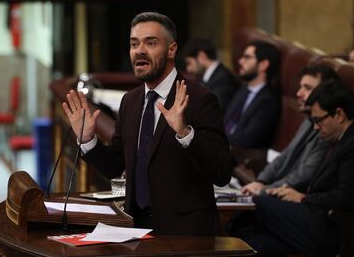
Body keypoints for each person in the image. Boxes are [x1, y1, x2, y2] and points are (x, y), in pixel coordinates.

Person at [62, 12, 232, 235]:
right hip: (136, 228)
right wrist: (87, 140)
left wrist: (184, 133)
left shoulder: (199, 99)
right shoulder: (130, 101)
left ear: (172, 50)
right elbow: (116, 164)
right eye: (134, 44)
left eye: (150, 43)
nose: (139, 50)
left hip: (186, 235)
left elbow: (221, 173)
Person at [230, 80, 354, 256]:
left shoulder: (352, 143)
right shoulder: (337, 140)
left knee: (257, 203)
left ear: (339, 115)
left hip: (327, 228)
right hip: (313, 218)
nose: (316, 127)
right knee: (253, 243)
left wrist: (303, 198)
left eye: (319, 120)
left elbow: (347, 197)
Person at [242, 65, 339, 195]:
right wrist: (261, 181)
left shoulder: (328, 130)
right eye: (301, 87)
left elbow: (305, 175)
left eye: (308, 88)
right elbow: (284, 156)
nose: (299, 93)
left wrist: (264, 190)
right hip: (277, 188)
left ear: (324, 93)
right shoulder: (307, 121)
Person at [224, 40, 281, 149]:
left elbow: (249, 139)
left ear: (263, 65)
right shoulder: (243, 89)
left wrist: (216, 141)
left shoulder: (268, 101)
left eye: (247, 57)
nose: (240, 61)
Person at [184, 38, 238, 112]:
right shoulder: (211, 77)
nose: (188, 69)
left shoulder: (222, 78)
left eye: (189, 63)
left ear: (201, 56)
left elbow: (213, 110)